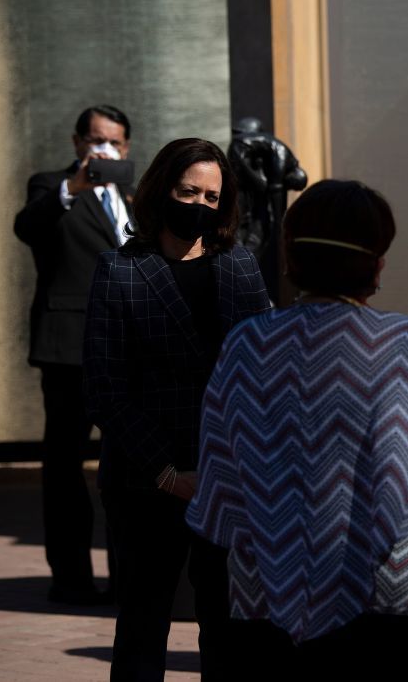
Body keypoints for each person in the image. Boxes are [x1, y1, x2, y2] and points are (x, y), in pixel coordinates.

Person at [185, 179, 408, 680]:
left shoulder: (247, 345)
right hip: (392, 600)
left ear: (291, 256)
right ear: (376, 264)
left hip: (264, 604)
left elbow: (220, 478)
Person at [83, 138, 271, 680]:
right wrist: (167, 472)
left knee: (228, 629)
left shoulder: (239, 266)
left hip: (228, 479)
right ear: (162, 189)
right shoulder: (118, 269)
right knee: (143, 626)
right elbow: (104, 387)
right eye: (189, 191)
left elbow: (263, 370)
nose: (200, 205)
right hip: (146, 481)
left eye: (212, 197)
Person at [13, 104, 134, 605]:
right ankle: (71, 579)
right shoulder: (51, 187)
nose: (104, 150)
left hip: (128, 352)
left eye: (114, 143)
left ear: (127, 149)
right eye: (95, 140)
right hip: (68, 350)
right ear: (78, 142)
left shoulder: (135, 196)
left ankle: (131, 579)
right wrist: (73, 188)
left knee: (131, 467)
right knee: (64, 468)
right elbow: (28, 227)